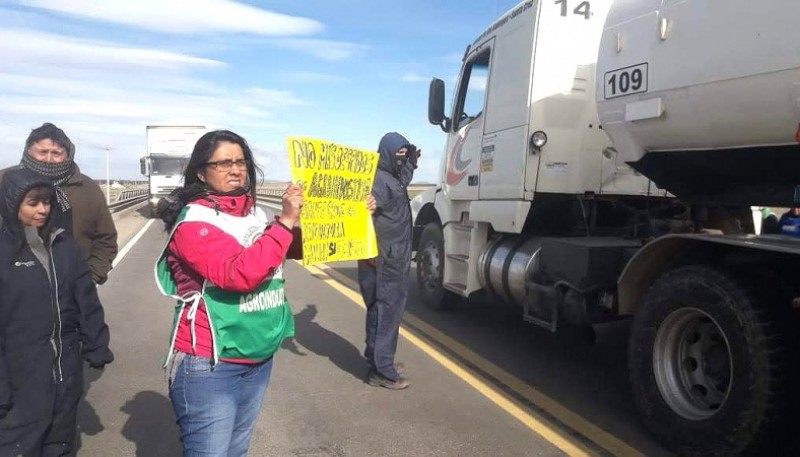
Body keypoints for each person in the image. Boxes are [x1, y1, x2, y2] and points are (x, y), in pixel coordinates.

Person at [155, 130, 304, 457]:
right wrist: (286, 222)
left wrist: (351, 215)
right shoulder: (194, 222)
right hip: (210, 364)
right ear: (201, 172)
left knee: (235, 452)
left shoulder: (256, 213)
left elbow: (285, 249)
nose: (236, 170)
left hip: (258, 356)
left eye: (241, 162)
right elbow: (240, 274)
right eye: (223, 163)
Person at [0, 168, 114, 457]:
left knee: (60, 444)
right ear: (12, 203)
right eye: (33, 202)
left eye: (47, 202)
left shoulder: (63, 245)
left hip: (64, 371)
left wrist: (97, 343)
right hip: (20, 380)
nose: (42, 209)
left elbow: (85, 299)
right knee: (20, 445)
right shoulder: (4, 252)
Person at [0, 123, 118, 284]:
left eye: (56, 153)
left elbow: (106, 239)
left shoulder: (87, 188)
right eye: (43, 152)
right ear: (28, 151)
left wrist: (90, 278)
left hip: (69, 289)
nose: (48, 159)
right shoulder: (4, 181)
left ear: (68, 155)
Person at [357, 132, 420, 390]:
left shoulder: (393, 175)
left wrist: (412, 160)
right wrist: (370, 252)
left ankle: (377, 358)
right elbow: (363, 215)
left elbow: (404, 177)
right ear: (386, 153)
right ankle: (382, 371)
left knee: (382, 309)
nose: (402, 159)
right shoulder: (378, 181)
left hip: (396, 254)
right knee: (387, 311)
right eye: (399, 154)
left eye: (404, 154)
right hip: (384, 257)